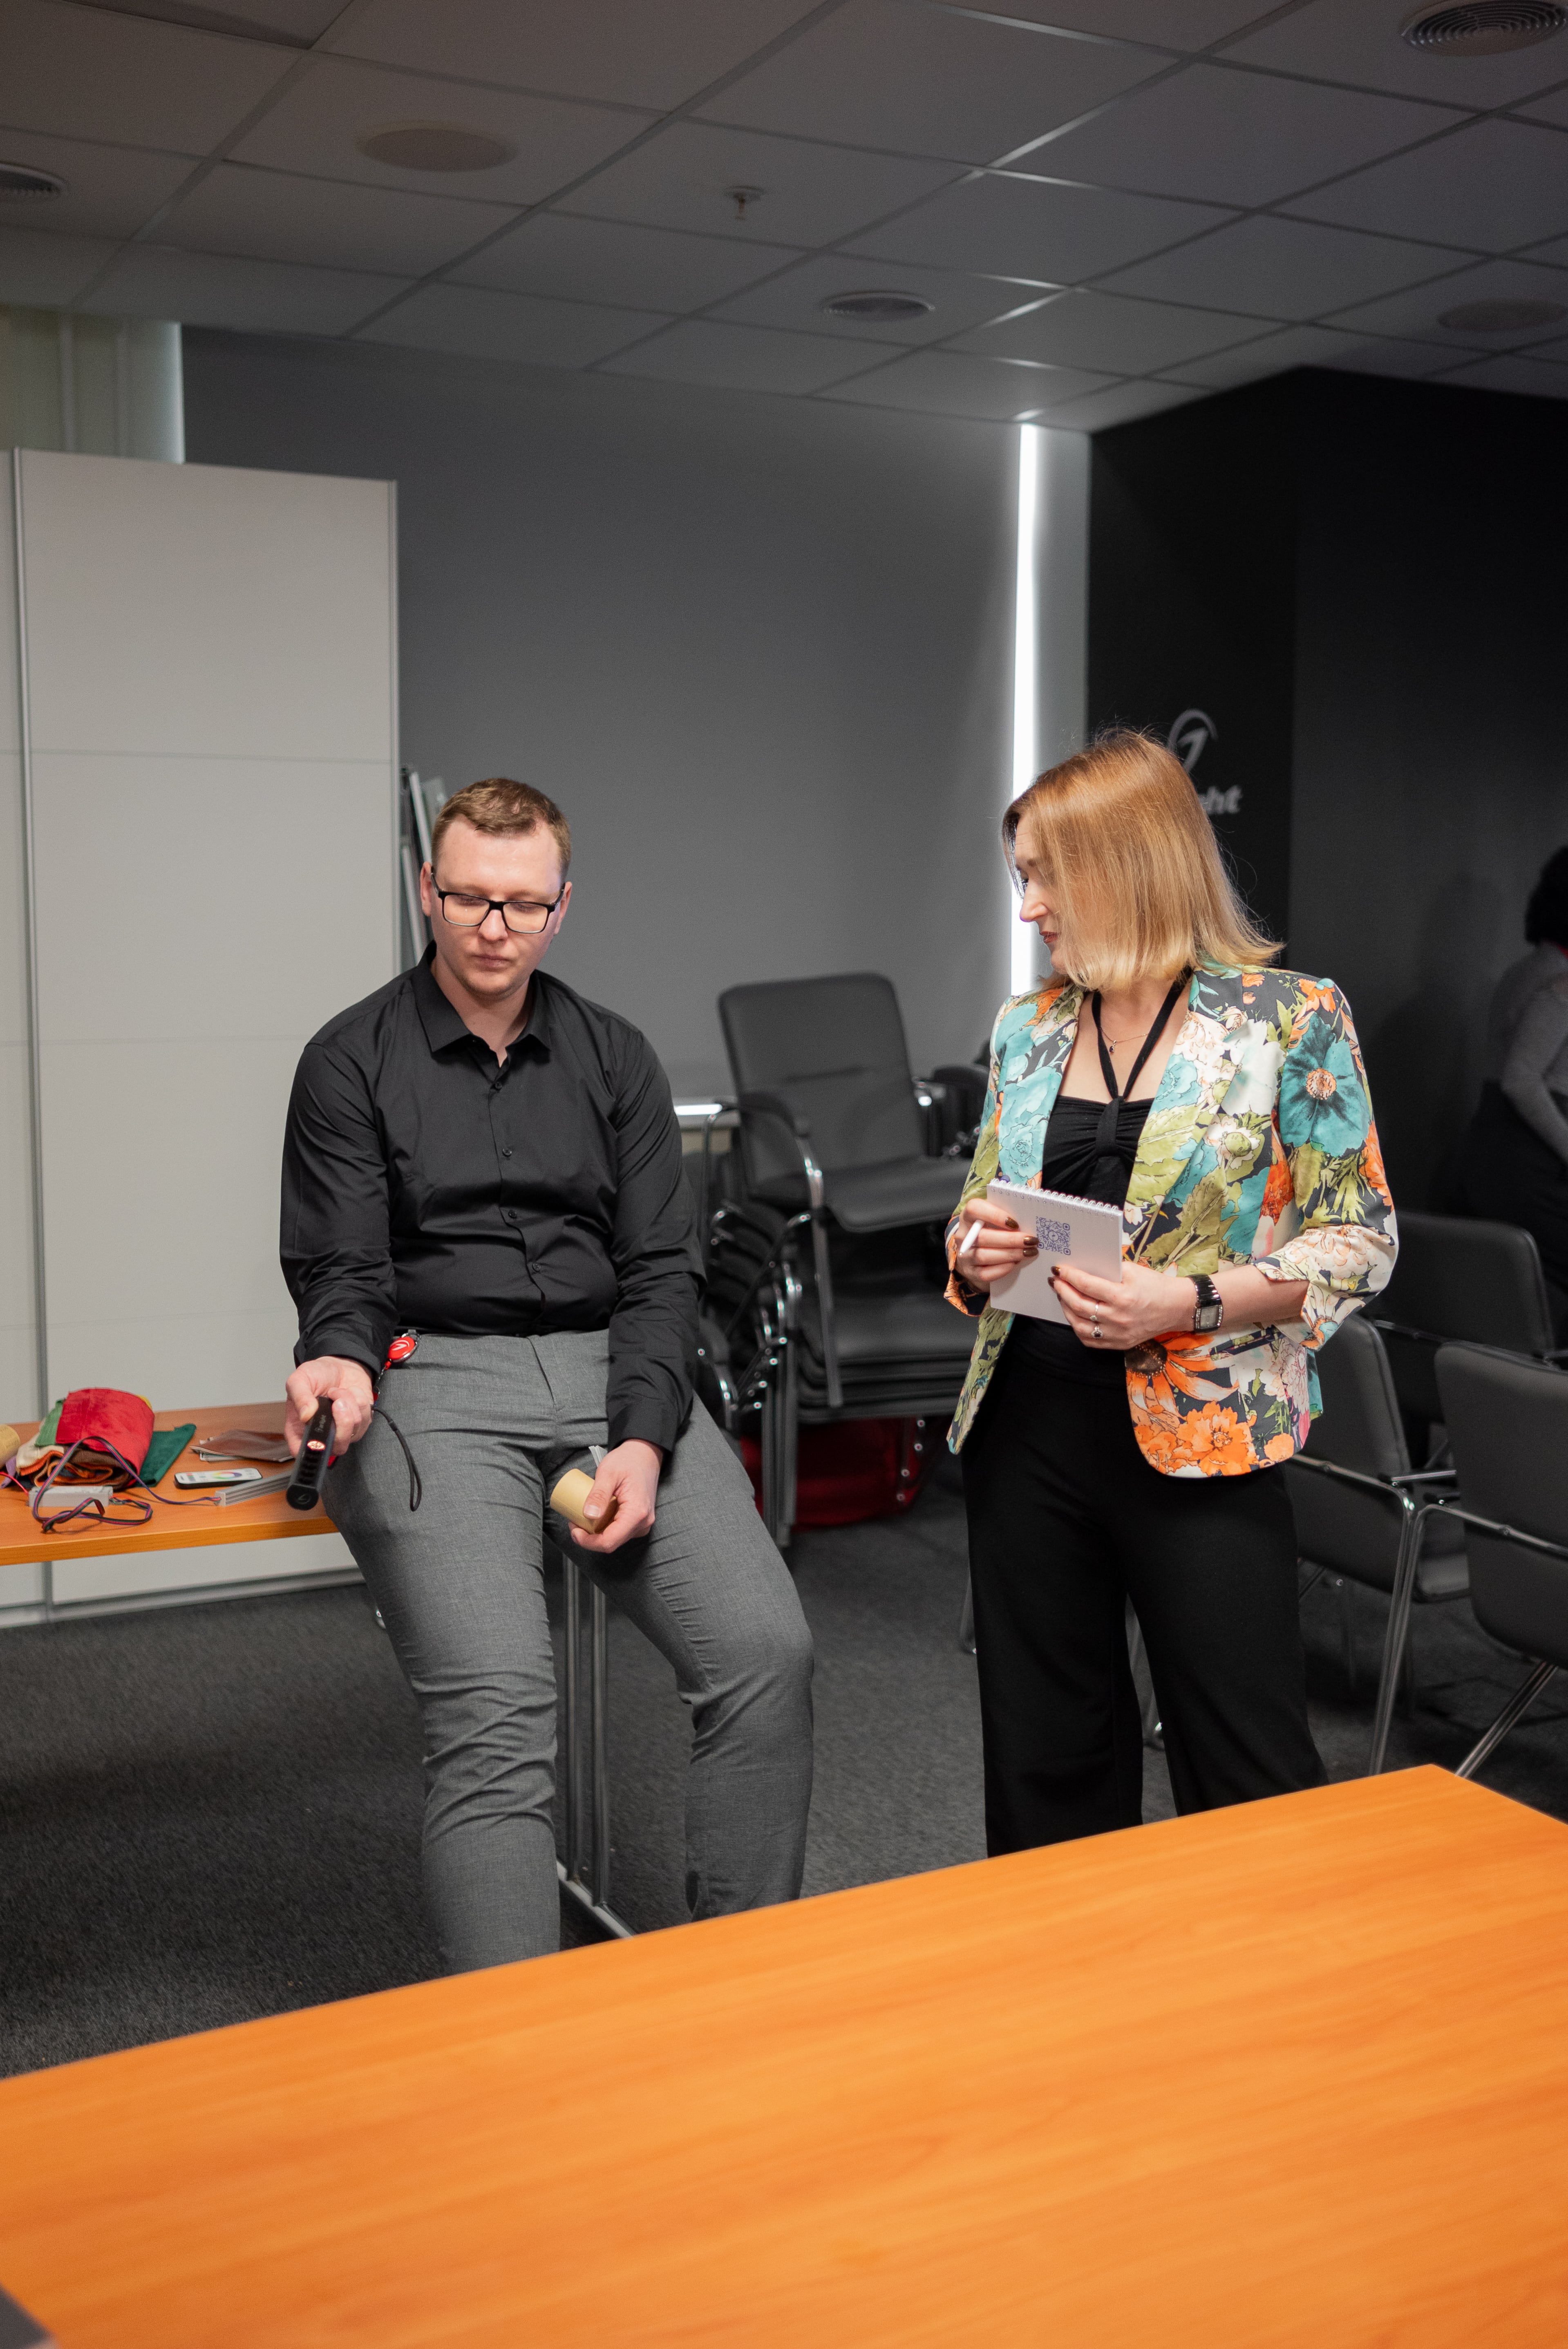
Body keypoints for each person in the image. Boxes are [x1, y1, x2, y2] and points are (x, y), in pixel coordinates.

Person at [280, 777, 813, 1970]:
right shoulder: (348, 1060)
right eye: (470, 896)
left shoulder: (615, 1057)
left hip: (612, 1372)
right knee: (499, 1714)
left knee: (763, 1653)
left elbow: (660, 1272)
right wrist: (342, 1361)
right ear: (429, 890)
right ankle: (515, 2051)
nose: (494, 926)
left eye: (523, 904)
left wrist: (642, 1439)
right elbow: (343, 1266)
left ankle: (744, 1990)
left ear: (561, 906)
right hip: (432, 1384)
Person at [946, 732, 1396, 1855]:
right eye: (1022, 877)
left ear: (1127, 864)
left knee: (1244, 1766)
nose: (1029, 907)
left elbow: (1360, 1238)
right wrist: (975, 1251)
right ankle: (1077, 1968)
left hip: (1203, 1432)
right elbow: (974, 1205)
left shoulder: (1290, 1017)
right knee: (1045, 1762)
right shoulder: (1027, 1026)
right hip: (1027, 1425)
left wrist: (1185, 1301)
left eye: (1046, 876)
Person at [1452, 846, 1568, 1330]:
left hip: (1489, 1151)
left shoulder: (1522, 971)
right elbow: (1522, 1080)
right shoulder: (1558, 981)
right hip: (1528, 1164)